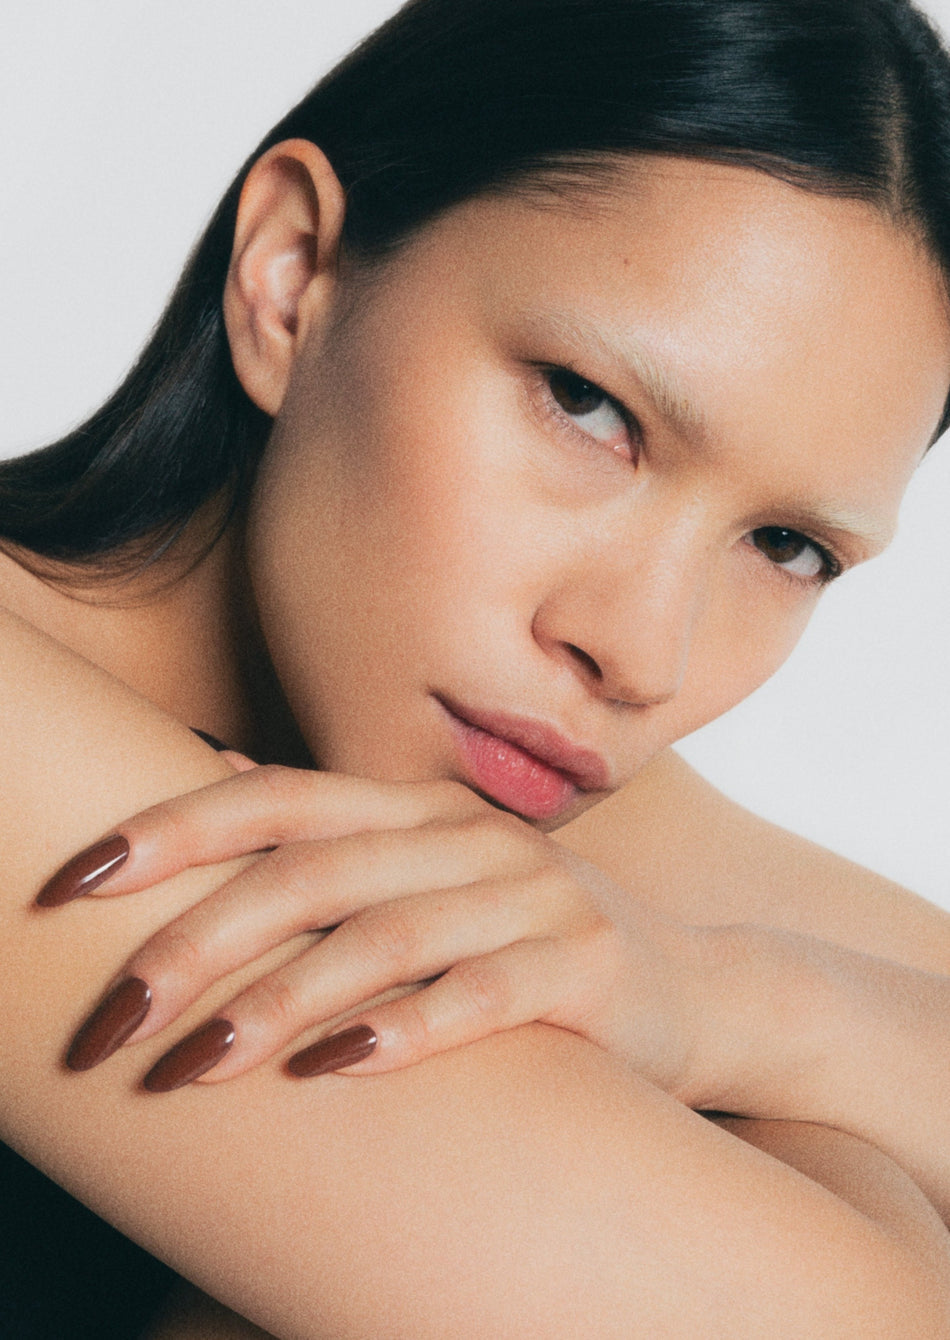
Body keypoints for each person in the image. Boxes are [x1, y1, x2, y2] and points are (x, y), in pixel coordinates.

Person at [2, 0, 950, 1335]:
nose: (638, 650)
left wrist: (724, 1001)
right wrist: (837, 1157)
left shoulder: (527, 799)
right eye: (587, 405)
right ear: (290, 275)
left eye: (785, 546)